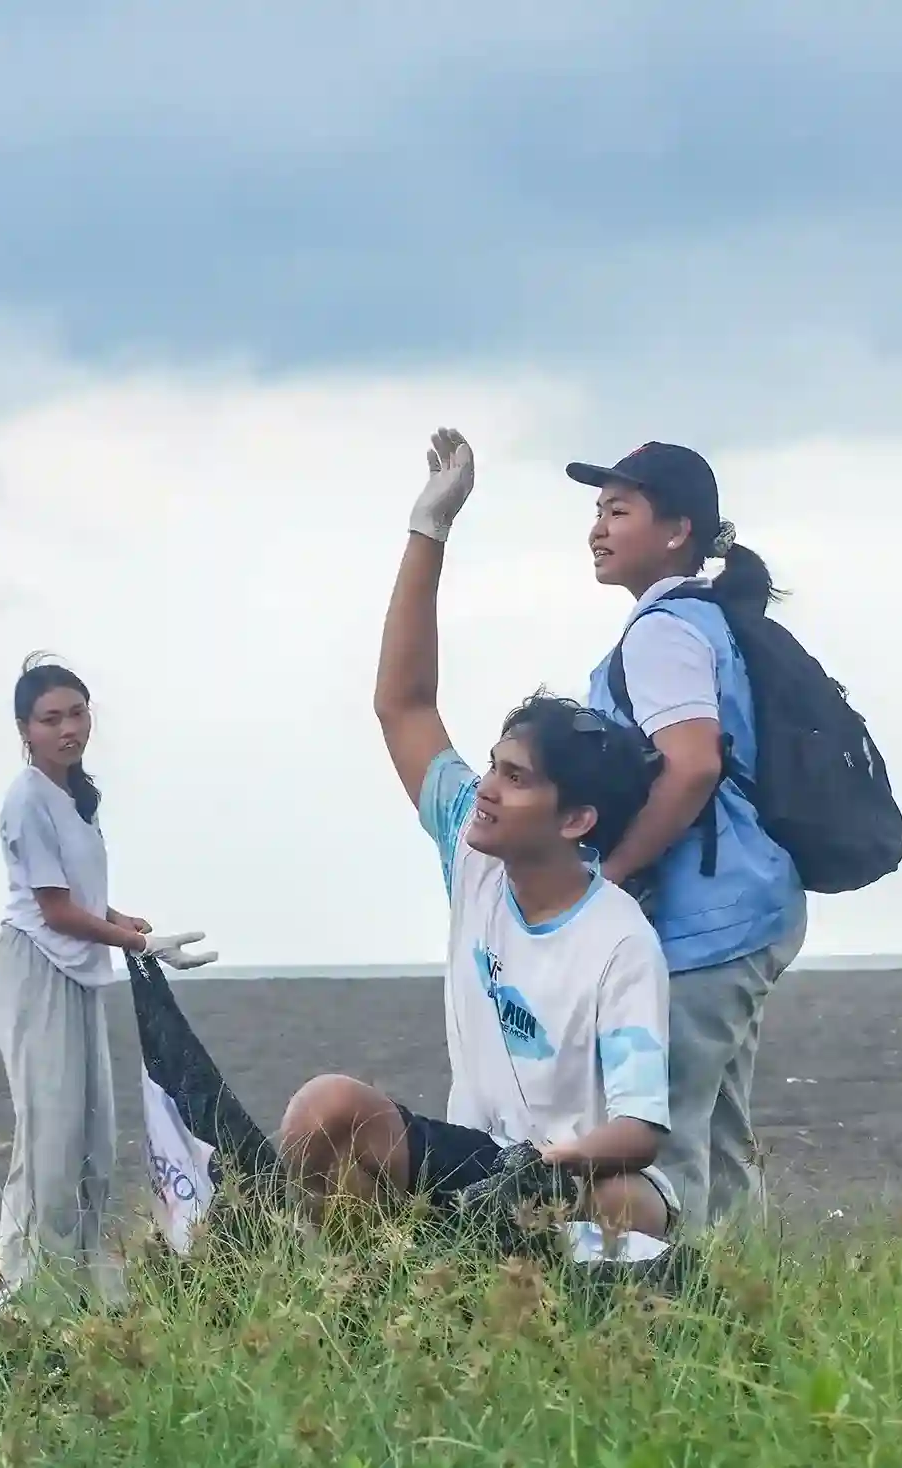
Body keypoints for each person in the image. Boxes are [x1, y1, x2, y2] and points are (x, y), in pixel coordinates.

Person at [277, 428, 679, 1241]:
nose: (486, 792)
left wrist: (547, 1168)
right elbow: (406, 705)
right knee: (329, 1107)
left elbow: (640, 1130)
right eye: (492, 768)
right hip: (476, 1160)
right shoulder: (473, 850)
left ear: (575, 821)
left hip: (571, 1170)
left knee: (626, 1205)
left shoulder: (618, 939)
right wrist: (431, 525)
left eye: (515, 778)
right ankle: (348, 1290)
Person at [566, 441, 808, 1232]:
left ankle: (677, 1320)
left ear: (676, 530)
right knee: (721, 1134)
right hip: (746, 906)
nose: (597, 529)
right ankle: (748, 1311)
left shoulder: (662, 632)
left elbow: (692, 765)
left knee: (660, 1138)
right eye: (598, 511)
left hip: (704, 918)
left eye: (618, 510)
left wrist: (610, 880)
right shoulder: (707, 618)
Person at [0, 657, 216, 1308]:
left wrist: (124, 922)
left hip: (78, 969)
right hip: (35, 966)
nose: (68, 729)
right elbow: (53, 910)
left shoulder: (77, 797)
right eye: (50, 718)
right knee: (50, 1137)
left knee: (91, 1136)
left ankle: (79, 1288)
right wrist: (138, 943)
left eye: (77, 713)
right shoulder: (27, 795)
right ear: (25, 730)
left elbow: (81, 898)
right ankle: (24, 1294)